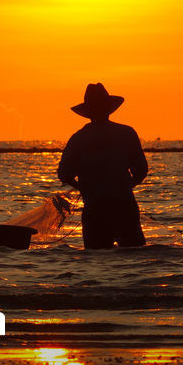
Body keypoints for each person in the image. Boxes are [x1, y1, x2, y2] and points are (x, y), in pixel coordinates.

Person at [58, 83, 149, 249]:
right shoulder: (126, 133)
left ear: (88, 112)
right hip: (124, 207)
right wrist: (126, 187)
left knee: (96, 258)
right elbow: (141, 170)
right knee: (133, 254)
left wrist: (84, 188)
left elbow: (64, 174)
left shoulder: (79, 138)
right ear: (108, 109)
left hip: (95, 208)